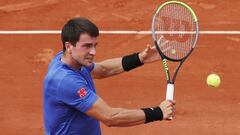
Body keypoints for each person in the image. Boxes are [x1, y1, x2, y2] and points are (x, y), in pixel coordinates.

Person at [43, 17, 176, 135]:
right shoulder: (65, 81)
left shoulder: (66, 59)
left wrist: (140, 58)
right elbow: (110, 117)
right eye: (87, 46)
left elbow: (102, 69)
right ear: (69, 46)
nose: (93, 52)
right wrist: (158, 112)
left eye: (95, 45)